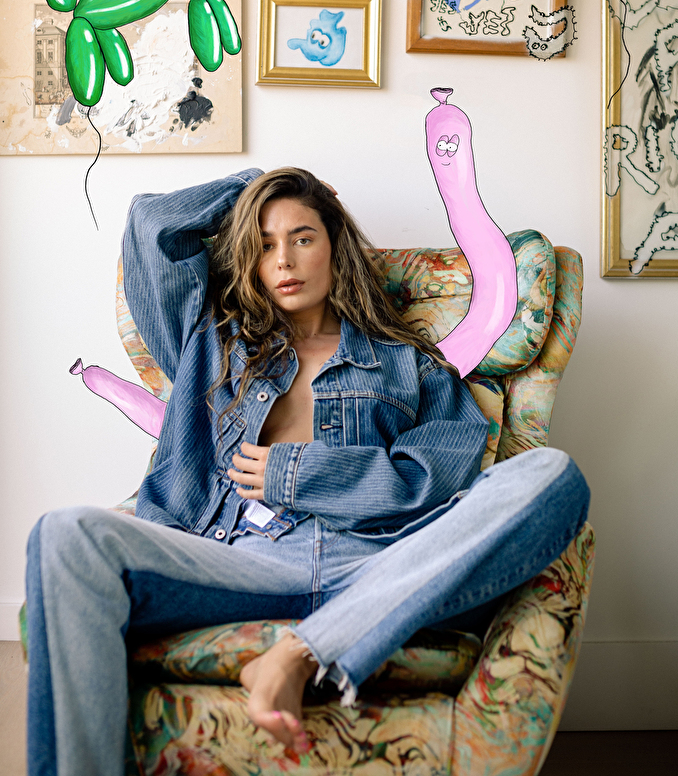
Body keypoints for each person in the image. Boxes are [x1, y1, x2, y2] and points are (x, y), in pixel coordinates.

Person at [25, 167, 590, 775]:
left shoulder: (409, 364)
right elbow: (152, 224)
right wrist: (260, 185)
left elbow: (435, 480)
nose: (284, 260)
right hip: (239, 562)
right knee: (65, 535)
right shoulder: (210, 343)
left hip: (378, 568)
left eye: (302, 237)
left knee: (551, 474)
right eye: (264, 244)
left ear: (334, 245)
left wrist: (300, 473)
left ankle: (301, 653)